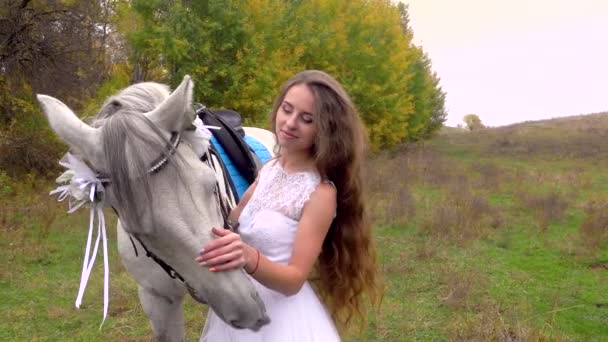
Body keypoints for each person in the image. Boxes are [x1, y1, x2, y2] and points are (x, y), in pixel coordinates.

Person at [196, 70, 380, 341]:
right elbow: (233, 221)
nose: (290, 123)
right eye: (287, 109)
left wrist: (248, 256)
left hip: (281, 321)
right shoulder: (270, 169)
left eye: (307, 119)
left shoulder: (320, 192)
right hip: (240, 306)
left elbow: (294, 280)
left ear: (326, 130)